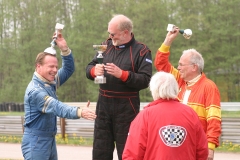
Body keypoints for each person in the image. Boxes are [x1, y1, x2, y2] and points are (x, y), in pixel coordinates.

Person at [86, 14, 152, 160]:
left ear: (126, 32)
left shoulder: (142, 51)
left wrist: (123, 74)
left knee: (128, 152)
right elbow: (89, 67)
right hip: (103, 106)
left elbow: (146, 80)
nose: (110, 36)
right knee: (100, 151)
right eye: (109, 33)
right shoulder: (105, 46)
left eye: (113, 34)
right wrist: (93, 71)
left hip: (127, 107)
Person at [21, 32, 96, 160]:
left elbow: (68, 69)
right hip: (36, 142)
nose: (55, 70)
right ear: (38, 66)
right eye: (51, 66)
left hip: (48, 140)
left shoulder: (50, 82)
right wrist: (80, 112)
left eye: (56, 66)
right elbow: (56, 107)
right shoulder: (35, 91)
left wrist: (64, 49)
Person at [154, 26, 221, 160]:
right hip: (176, 143)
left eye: (181, 64)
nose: (178, 67)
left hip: (197, 146)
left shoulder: (209, 87)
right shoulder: (179, 80)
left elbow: (214, 120)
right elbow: (160, 64)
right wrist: (168, 40)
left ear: (194, 67)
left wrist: (210, 147)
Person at [122, 71, 209, 160]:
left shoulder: (145, 116)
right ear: (175, 89)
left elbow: (132, 154)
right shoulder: (191, 114)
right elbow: (202, 150)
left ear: (154, 90)